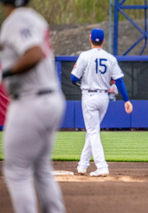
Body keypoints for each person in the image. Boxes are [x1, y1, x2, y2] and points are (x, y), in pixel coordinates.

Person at [0, 0, 66, 212]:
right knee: (41, 168)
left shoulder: (17, 20)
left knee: (16, 170)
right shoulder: (35, 18)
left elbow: (34, 53)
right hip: (50, 99)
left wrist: (7, 73)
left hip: (31, 100)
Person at [71, 28, 133, 176]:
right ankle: (82, 165)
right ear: (103, 41)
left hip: (89, 96)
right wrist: (126, 100)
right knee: (93, 131)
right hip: (104, 97)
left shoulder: (85, 56)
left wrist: (85, 81)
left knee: (92, 131)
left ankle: (102, 166)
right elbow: (119, 81)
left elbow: (73, 78)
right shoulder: (110, 58)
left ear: (90, 39)